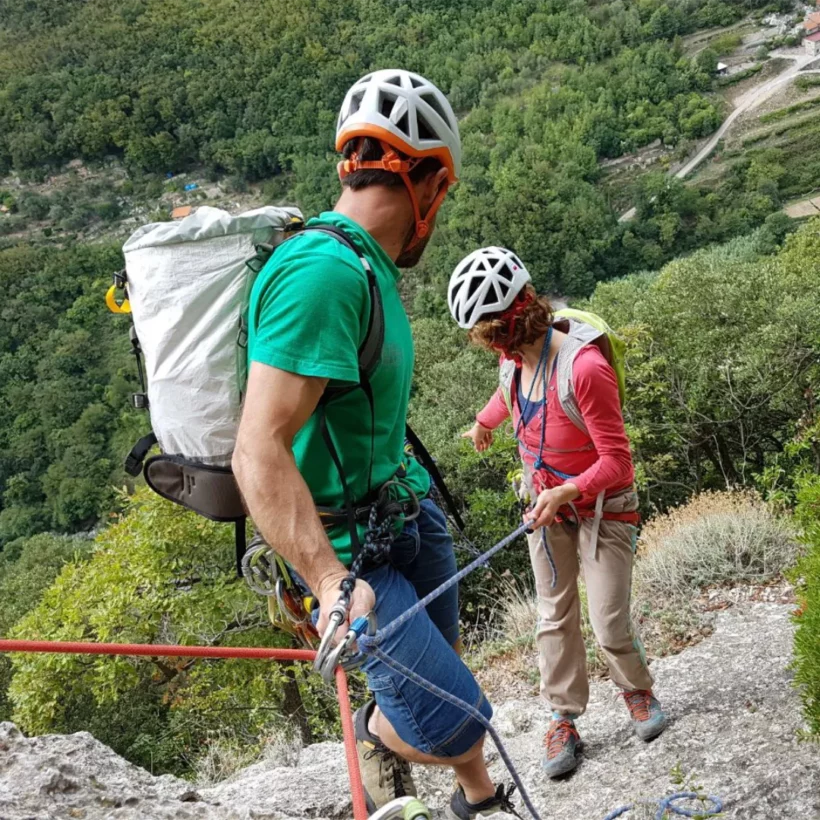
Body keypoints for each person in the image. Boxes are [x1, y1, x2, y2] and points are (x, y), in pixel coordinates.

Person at [233, 72, 516, 819]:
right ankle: (379, 733)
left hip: (402, 515)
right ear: (429, 182)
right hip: (351, 551)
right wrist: (328, 585)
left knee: (445, 680)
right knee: (459, 718)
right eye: (444, 195)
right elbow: (257, 449)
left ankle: (472, 798)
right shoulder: (325, 272)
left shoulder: (365, 265)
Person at [451, 247, 667, 778]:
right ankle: (563, 717)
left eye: (489, 337)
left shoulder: (585, 368)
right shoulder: (514, 359)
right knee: (553, 617)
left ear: (508, 326)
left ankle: (638, 691)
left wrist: (567, 492)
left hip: (602, 509)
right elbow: (510, 394)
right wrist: (484, 422)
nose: (489, 350)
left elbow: (619, 462)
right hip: (545, 509)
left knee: (609, 621)